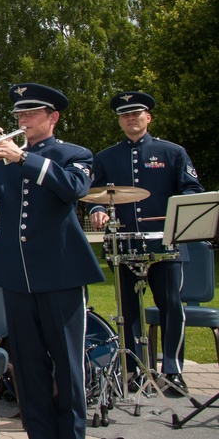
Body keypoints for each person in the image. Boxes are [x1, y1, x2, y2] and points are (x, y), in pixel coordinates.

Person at [0, 83, 104, 439]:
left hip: (61, 274)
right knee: (27, 367)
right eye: (19, 115)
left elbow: (73, 188)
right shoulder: (3, 160)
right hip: (16, 277)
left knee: (68, 367)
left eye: (30, 114)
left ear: (52, 118)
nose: (22, 120)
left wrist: (23, 157)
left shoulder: (74, 154)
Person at [88, 91, 203, 396]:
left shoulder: (172, 152)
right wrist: (97, 210)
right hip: (124, 245)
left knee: (171, 307)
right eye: (124, 115)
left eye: (136, 114)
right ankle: (134, 371)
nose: (130, 119)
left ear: (148, 117)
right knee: (128, 310)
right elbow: (93, 196)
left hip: (165, 245)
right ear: (119, 121)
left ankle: (173, 371)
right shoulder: (105, 157)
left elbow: (192, 189)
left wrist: (180, 209)